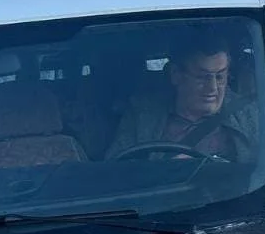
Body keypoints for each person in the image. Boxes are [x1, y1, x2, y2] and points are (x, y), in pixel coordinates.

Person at [106, 37, 255, 160]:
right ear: (176, 74)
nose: (213, 88)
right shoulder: (142, 116)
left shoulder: (248, 115)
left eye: (220, 77)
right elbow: (116, 172)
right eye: (202, 77)